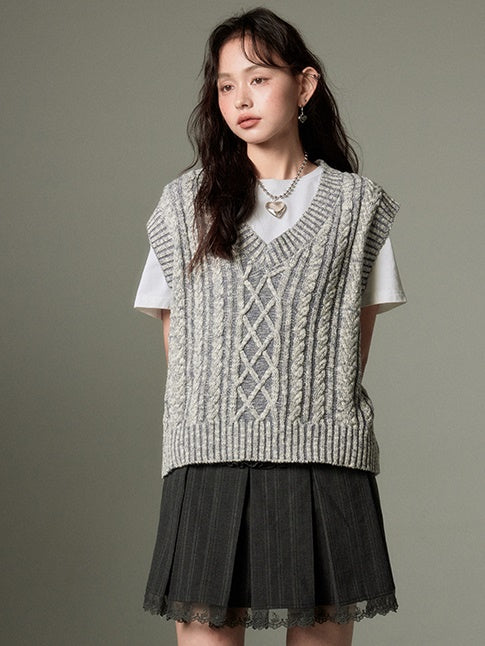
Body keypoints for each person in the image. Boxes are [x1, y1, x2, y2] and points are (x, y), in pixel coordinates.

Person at [134, 7, 407, 646]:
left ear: (304, 85)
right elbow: (178, 340)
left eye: (258, 79)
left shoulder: (357, 207)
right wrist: (220, 417)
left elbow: (351, 346)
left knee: (320, 638)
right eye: (226, 85)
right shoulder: (183, 206)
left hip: (322, 455)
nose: (240, 100)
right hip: (209, 455)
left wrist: (299, 411)